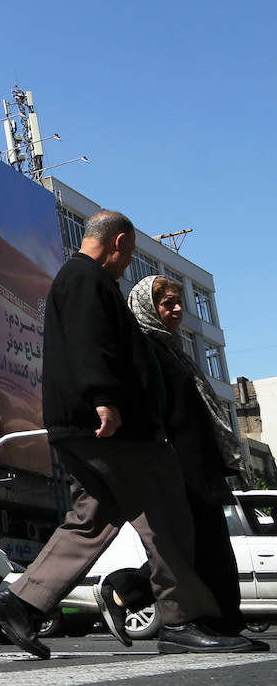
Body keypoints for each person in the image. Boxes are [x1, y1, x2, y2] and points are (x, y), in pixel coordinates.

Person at [0, 210, 251, 658]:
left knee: (89, 521)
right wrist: (104, 397)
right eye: (128, 257)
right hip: (114, 430)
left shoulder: (75, 279)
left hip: (83, 429)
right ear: (120, 242)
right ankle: (181, 620)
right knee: (166, 516)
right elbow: (93, 343)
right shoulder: (88, 280)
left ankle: (22, 602)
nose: (126, 268)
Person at [94, 276, 266, 651]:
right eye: (166, 303)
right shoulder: (141, 348)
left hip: (201, 461)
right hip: (176, 462)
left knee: (208, 544)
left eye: (178, 302)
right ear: (144, 306)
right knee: (196, 546)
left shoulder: (174, 348)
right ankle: (142, 595)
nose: (176, 309)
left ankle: (218, 621)